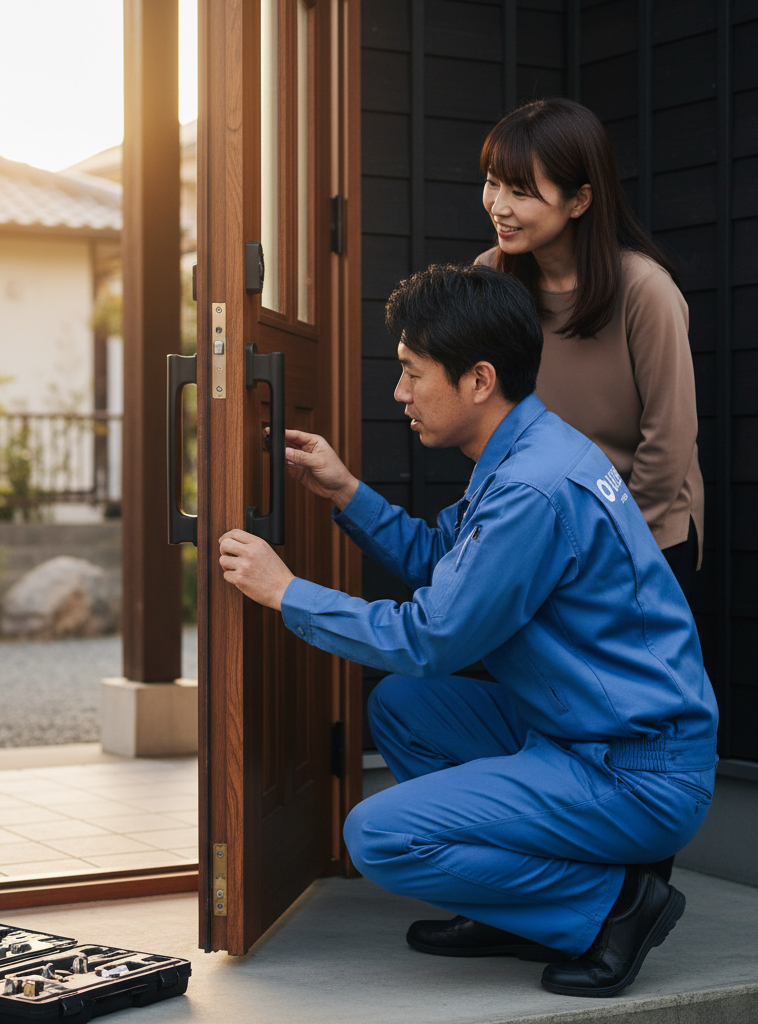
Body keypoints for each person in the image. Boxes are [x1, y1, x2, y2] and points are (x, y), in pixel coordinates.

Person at [218, 264, 717, 998]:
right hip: (585, 728)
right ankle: (519, 909)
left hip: (632, 770)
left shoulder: (529, 489)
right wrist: (347, 493)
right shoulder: (529, 447)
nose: (400, 393)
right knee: (404, 709)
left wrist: (287, 592)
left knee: (377, 834)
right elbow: (444, 566)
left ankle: (610, 906)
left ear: (479, 380)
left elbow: (430, 638)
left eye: (413, 373)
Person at [477, 97, 702, 597]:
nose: (499, 206)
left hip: (643, 529)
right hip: (538, 526)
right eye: (493, 182)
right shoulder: (490, 275)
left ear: (579, 200)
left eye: (522, 191)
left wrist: (610, 540)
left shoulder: (645, 289)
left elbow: (668, 438)